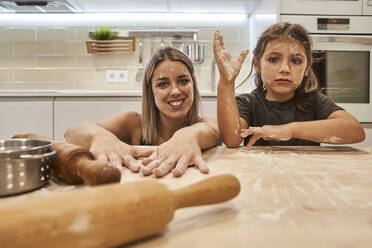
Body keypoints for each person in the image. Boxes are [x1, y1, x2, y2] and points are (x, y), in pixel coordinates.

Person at [65, 46, 219, 177]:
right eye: (163, 84)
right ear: (150, 91)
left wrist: (189, 134)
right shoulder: (133, 123)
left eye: (183, 81)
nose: (175, 91)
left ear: (193, 85)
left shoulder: (204, 124)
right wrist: (99, 136)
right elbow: (71, 132)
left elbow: (215, 129)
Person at [214, 22, 365, 147]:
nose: (284, 69)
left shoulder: (313, 102)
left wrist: (291, 130)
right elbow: (231, 140)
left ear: (307, 68)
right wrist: (226, 84)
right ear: (257, 65)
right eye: (273, 59)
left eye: (296, 61)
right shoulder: (248, 103)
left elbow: (355, 131)